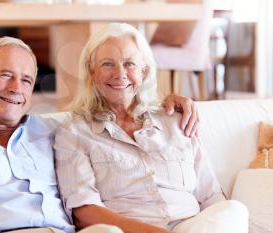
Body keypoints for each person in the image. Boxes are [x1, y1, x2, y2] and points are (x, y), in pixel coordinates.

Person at [0, 37, 197, 233]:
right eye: (6, 75)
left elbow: (113, 113)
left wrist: (166, 104)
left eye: (27, 80)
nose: (17, 88)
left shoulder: (57, 132)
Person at [54, 23, 249, 233]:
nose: (120, 74)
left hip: (191, 227)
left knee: (234, 210)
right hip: (126, 230)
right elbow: (85, 212)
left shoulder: (176, 120)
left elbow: (211, 197)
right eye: (107, 64)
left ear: (144, 71)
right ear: (92, 72)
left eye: (129, 64)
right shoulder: (74, 132)